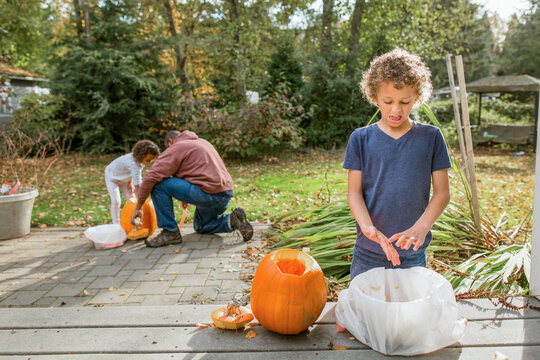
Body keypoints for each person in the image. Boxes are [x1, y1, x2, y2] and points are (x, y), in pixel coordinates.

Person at [343, 48, 451, 280]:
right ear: (374, 97)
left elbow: (442, 193)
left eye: (405, 101)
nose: (396, 109)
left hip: (412, 251)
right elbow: (354, 193)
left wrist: (421, 228)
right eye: (388, 101)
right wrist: (367, 227)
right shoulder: (360, 139)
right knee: (365, 313)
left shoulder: (431, 137)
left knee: (408, 313)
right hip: (368, 251)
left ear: (417, 97)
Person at [131, 130, 253, 247]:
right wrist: (185, 195)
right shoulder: (203, 142)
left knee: (158, 184)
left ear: (169, 142)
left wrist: (138, 207)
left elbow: (150, 176)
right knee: (201, 226)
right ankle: (233, 219)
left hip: (208, 193)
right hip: (223, 195)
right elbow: (196, 170)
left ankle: (170, 232)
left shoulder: (177, 147)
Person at [105, 140, 160, 224]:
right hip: (112, 177)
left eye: (151, 161)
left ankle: (131, 221)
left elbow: (133, 173)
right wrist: (140, 206)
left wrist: (130, 181)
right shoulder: (133, 163)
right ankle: (116, 223)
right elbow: (138, 186)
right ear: (141, 155)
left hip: (125, 178)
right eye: (148, 160)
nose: (149, 163)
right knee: (116, 201)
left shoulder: (139, 161)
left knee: (131, 200)